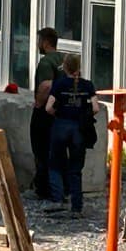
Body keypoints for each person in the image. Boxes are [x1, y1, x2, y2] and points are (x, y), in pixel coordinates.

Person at [45, 53, 99, 216]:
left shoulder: (59, 84)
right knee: (75, 169)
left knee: (55, 164)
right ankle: (76, 206)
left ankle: (58, 199)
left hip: (61, 126)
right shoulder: (88, 85)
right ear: (79, 68)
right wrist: (83, 115)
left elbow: (48, 107)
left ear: (65, 67)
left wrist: (59, 114)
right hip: (79, 129)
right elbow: (95, 108)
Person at [30, 28, 63, 201]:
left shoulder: (46, 62)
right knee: (58, 151)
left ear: (45, 42)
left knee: (41, 149)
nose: (37, 44)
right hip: (62, 113)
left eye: (39, 41)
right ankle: (60, 188)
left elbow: (46, 85)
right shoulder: (64, 59)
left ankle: (43, 188)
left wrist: (38, 103)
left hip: (46, 114)